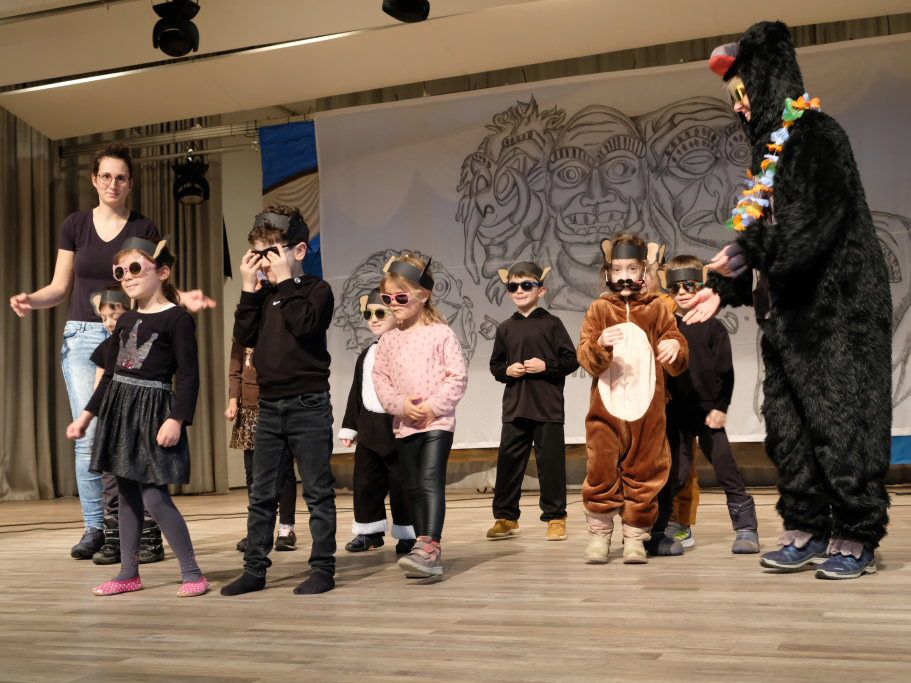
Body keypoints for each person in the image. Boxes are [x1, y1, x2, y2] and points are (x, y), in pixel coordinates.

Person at [686, 21, 892, 579]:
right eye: (733, 97)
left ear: (770, 84)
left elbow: (811, 226)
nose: (739, 107)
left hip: (837, 314)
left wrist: (747, 249)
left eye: (745, 92)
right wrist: (724, 288)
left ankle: (856, 533)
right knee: (790, 427)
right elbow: (766, 242)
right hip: (786, 319)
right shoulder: (767, 161)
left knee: (841, 424)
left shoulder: (818, 135)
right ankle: (807, 525)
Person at [8, 144, 213, 559]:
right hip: (84, 333)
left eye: (120, 177)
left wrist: (181, 299)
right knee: (90, 435)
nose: (112, 184)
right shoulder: (76, 224)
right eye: (106, 176)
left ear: (130, 183)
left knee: (130, 433)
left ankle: (136, 528)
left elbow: (152, 281)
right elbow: (60, 287)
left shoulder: (143, 226)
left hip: (129, 332)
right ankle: (96, 527)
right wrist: (32, 299)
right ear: (94, 180)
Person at [66, 237, 208, 597]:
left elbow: (188, 375)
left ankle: (192, 573)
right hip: (120, 411)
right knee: (127, 497)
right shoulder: (126, 319)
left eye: (134, 268)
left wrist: (177, 419)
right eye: (120, 272)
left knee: (154, 497)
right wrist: (86, 417)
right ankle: (128, 573)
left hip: (152, 411)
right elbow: (109, 376)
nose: (126, 277)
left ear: (162, 272)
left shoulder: (177, 318)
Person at [221, 207, 337, 596]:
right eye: (257, 253)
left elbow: (305, 324)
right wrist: (247, 288)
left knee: (317, 491)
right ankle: (255, 569)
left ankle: (322, 568)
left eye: (271, 252)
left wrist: (286, 282)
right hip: (269, 406)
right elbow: (244, 336)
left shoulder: (316, 290)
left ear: (298, 251)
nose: (264, 262)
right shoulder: (263, 296)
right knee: (262, 494)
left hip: (308, 403)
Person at [577, 234, 688, 564]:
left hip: (647, 411)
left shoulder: (657, 310)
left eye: (631, 269)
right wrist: (600, 345)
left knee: (645, 474)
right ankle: (600, 536)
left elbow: (677, 351)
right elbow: (586, 357)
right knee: (601, 471)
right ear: (608, 273)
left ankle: (636, 538)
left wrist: (675, 347)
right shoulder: (599, 309)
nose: (623, 275)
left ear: (643, 271)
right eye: (617, 269)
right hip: (606, 411)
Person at [652, 256, 759, 555]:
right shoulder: (666, 329)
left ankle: (746, 528)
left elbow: (726, 372)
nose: (682, 292)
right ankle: (661, 529)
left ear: (701, 286)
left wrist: (721, 407)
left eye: (689, 285)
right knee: (675, 473)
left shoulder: (714, 328)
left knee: (725, 467)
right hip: (675, 412)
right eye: (675, 287)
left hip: (707, 411)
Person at [372, 253, 468, 578]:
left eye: (400, 298)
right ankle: (423, 547)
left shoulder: (441, 334)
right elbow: (380, 380)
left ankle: (430, 546)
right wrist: (401, 406)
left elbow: (457, 376)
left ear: (423, 296)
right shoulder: (388, 340)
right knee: (412, 485)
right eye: (387, 298)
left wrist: (432, 407)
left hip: (437, 422)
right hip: (405, 424)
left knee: (429, 480)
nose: (393, 304)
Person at [486, 261, 578, 542]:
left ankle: (555, 517)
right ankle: (506, 517)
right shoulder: (505, 328)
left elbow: (571, 360)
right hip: (515, 406)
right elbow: (495, 365)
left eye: (526, 285)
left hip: (547, 406)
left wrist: (545, 366)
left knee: (550, 465)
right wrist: (507, 371)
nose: (519, 290)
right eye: (513, 286)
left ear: (541, 290)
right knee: (509, 463)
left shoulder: (552, 323)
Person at [86, 286, 165, 567]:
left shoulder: (145, 342)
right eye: (104, 317)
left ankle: (150, 540)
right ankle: (115, 539)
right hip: (113, 422)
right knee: (111, 481)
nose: (109, 322)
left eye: (115, 315)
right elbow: (100, 384)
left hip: (140, 420)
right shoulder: (106, 348)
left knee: (144, 478)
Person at [337, 289, 416, 555]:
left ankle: (408, 533)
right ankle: (369, 532)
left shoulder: (407, 350)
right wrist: (351, 426)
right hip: (369, 428)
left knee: (402, 484)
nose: (372, 319)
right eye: (368, 314)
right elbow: (356, 392)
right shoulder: (367, 353)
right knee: (365, 482)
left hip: (398, 427)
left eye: (380, 313)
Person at [226, 340, 298, 553]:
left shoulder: (277, 331)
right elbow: (235, 373)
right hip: (248, 411)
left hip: (275, 407)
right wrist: (233, 402)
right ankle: (257, 530)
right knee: (253, 473)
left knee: (284, 470)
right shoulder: (241, 337)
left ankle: (286, 529)